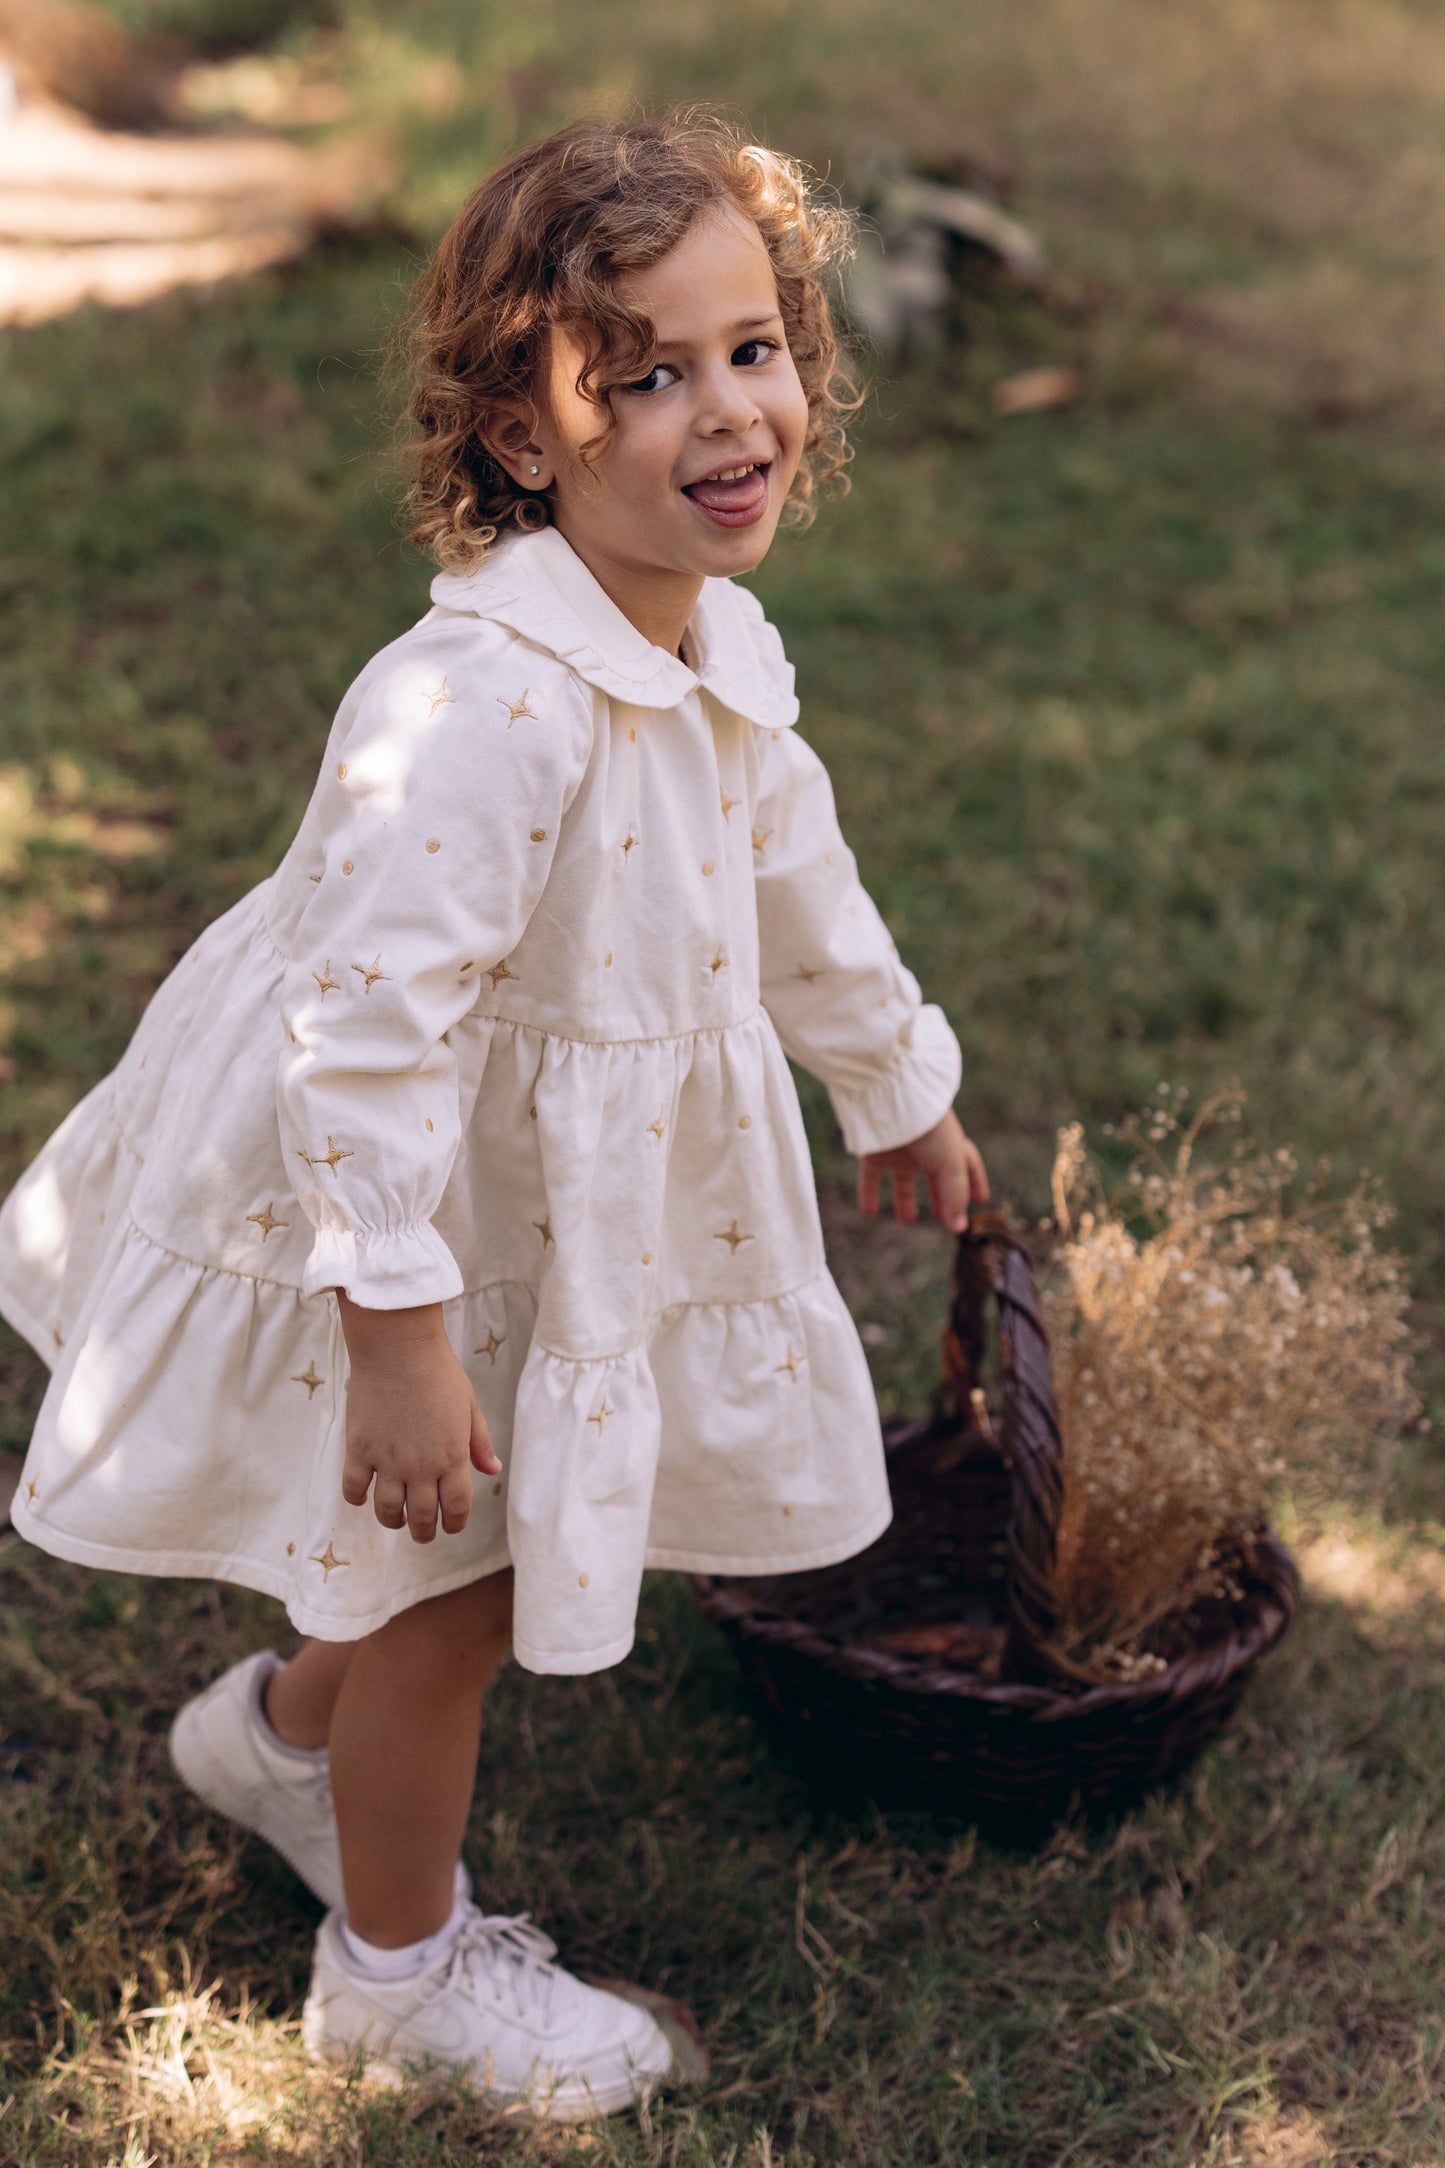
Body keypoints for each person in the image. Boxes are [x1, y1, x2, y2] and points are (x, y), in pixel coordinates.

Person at [0, 112, 989, 2117]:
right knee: (454, 1590)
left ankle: (284, 1738)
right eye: (645, 374)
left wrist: (898, 1080)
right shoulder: (483, 705)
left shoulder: (711, 641)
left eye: (752, 347)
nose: (731, 412)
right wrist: (392, 1323)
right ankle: (396, 1970)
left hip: (554, 1188)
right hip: (401, 1194)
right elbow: (366, 1039)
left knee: (466, 1568)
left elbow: (796, 881)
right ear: (525, 438)